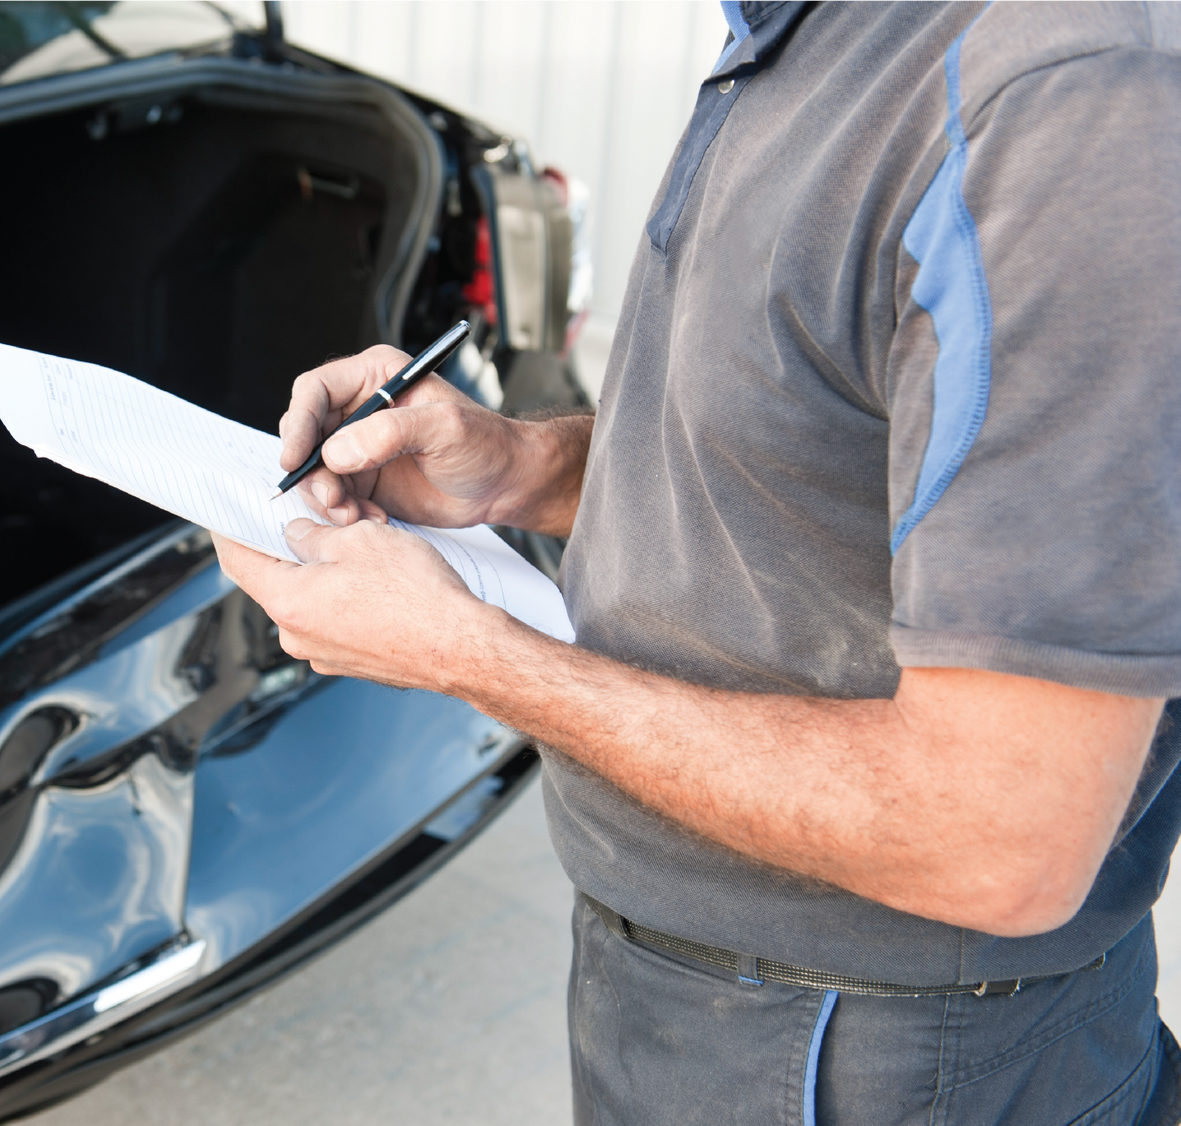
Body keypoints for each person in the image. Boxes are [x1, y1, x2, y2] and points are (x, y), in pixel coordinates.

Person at [213, 0, 1181, 1121]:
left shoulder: (1056, 100)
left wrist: (475, 655)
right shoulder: (802, 30)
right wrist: (518, 466)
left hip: (882, 1057)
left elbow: (1001, 838)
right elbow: (823, 452)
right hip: (686, 999)